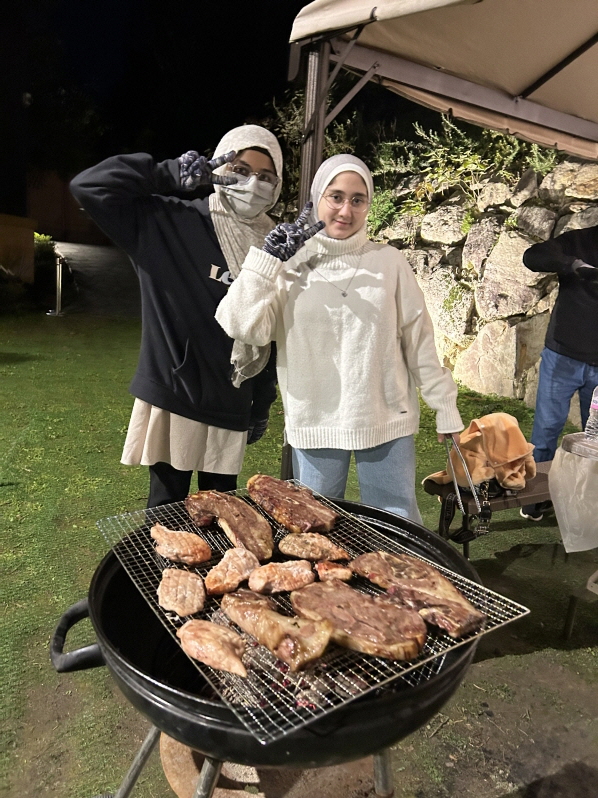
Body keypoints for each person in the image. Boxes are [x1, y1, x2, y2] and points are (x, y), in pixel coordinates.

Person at [216, 154, 463, 523]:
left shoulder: (389, 262)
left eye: (357, 199)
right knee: (316, 527)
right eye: (335, 197)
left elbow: (419, 341)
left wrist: (444, 405)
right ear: (317, 197)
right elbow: (241, 325)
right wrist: (266, 261)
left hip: (385, 418)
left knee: (396, 525)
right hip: (315, 420)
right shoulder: (290, 264)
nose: (346, 210)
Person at [70, 125, 283, 507]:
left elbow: (270, 332)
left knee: (222, 514)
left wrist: (262, 402)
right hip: (176, 393)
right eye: (240, 170)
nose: (253, 183)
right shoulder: (170, 221)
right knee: (166, 511)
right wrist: (166, 173)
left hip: (232, 399)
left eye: (266, 176)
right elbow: (90, 186)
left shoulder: (273, 246)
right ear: (219, 168)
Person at [520, 224, 598, 521]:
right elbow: (532, 257)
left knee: (596, 440)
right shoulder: (579, 240)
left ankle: (588, 503)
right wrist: (571, 264)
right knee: (546, 432)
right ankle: (536, 499)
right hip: (562, 358)